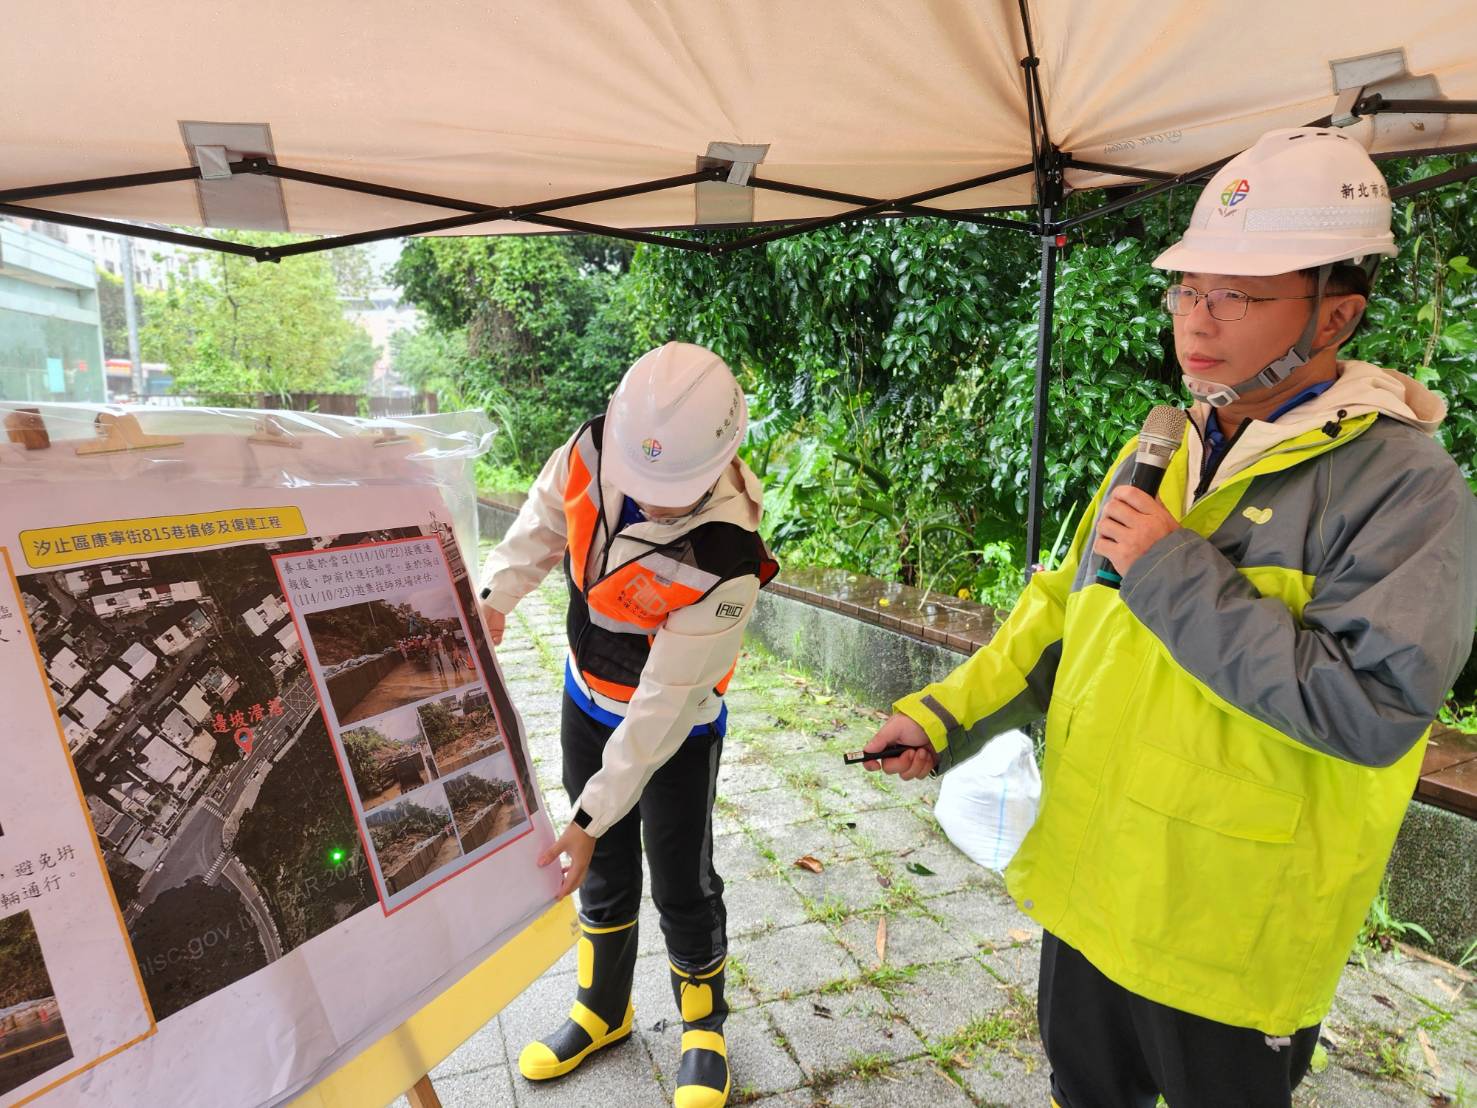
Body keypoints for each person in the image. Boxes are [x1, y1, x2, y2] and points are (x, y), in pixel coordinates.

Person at [863, 127, 1477, 1107]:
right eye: (1188, 288)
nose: (1197, 319)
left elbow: (1373, 710)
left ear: (1337, 314)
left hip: (1230, 938)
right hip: (1088, 883)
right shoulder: (1167, 441)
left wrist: (1170, 570)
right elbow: (1067, 610)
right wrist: (946, 714)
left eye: (1239, 293)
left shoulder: (1408, 486)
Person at [479, 342, 776, 1108]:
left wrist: (587, 814)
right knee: (601, 866)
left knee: (681, 877)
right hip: (586, 695)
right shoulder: (590, 447)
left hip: (675, 726)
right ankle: (603, 1009)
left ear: (719, 460)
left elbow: (662, 705)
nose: (650, 498)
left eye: (670, 489)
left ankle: (704, 1024)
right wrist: (494, 596)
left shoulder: (727, 556)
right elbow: (544, 521)